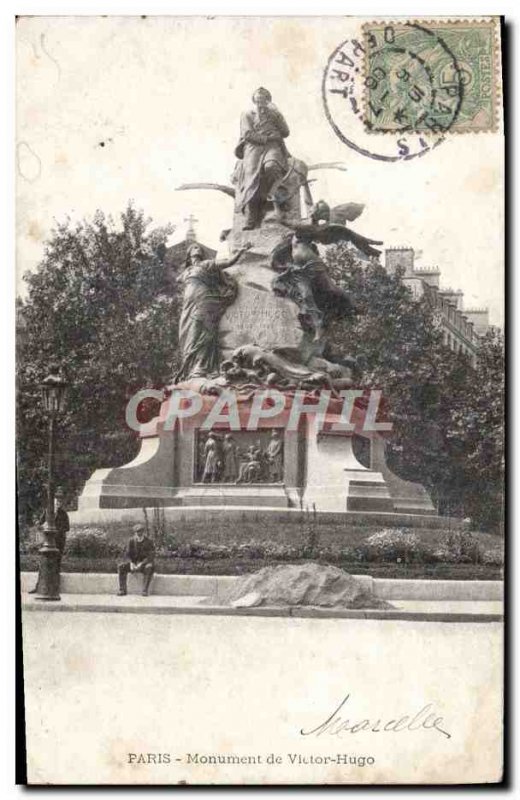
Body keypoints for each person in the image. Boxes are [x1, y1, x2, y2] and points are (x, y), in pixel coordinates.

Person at [175, 242, 251, 382]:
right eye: (193, 248)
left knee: (202, 332)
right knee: (185, 335)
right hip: (188, 305)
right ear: (189, 255)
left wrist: (240, 251)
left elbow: (228, 262)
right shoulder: (186, 272)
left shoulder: (207, 264)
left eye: (198, 247)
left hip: (203, 300)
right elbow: (175, 280)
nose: (197, 249)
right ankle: (189, 368)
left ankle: (200, 368)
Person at [232, 87, 290, 229]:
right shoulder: (247, 114)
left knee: (272, 167)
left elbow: (286, 132)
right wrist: (267, 138)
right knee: (251, 178)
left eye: (263, 100)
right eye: (258, 100)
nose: (260, 103)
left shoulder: (274, 114)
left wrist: (278, 116)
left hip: (272, 147)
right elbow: (247, 134)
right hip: (253, 147)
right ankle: (251, 217)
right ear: (254, 101)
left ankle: (279, 200)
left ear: (268, 101)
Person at [28, 487, 70, 594]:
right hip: (47, 543)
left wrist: (55, 530)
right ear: (53, 502)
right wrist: (40, 526)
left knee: (56, 565)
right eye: (56, 501)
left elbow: (66, 528)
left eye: (60, 501)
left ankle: (54, 588)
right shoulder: (47, 512)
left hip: (58, 543)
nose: (58, 503)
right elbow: (40, 524)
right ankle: (39, 587)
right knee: (43, 565)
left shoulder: (63, 514)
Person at [117, 524, 155, 597]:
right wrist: (131, 563)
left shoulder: (149, 542)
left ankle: (144, 590)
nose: (139, 534)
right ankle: (122, 590)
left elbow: (151, 556)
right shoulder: (131, 541)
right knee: (121, 566)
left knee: (149, 567)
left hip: (144, 564)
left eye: (141, 532)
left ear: (143, 532)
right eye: (137, 532)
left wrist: (142, 564)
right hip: (133, 564)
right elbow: (127, 554)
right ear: (135, 532)